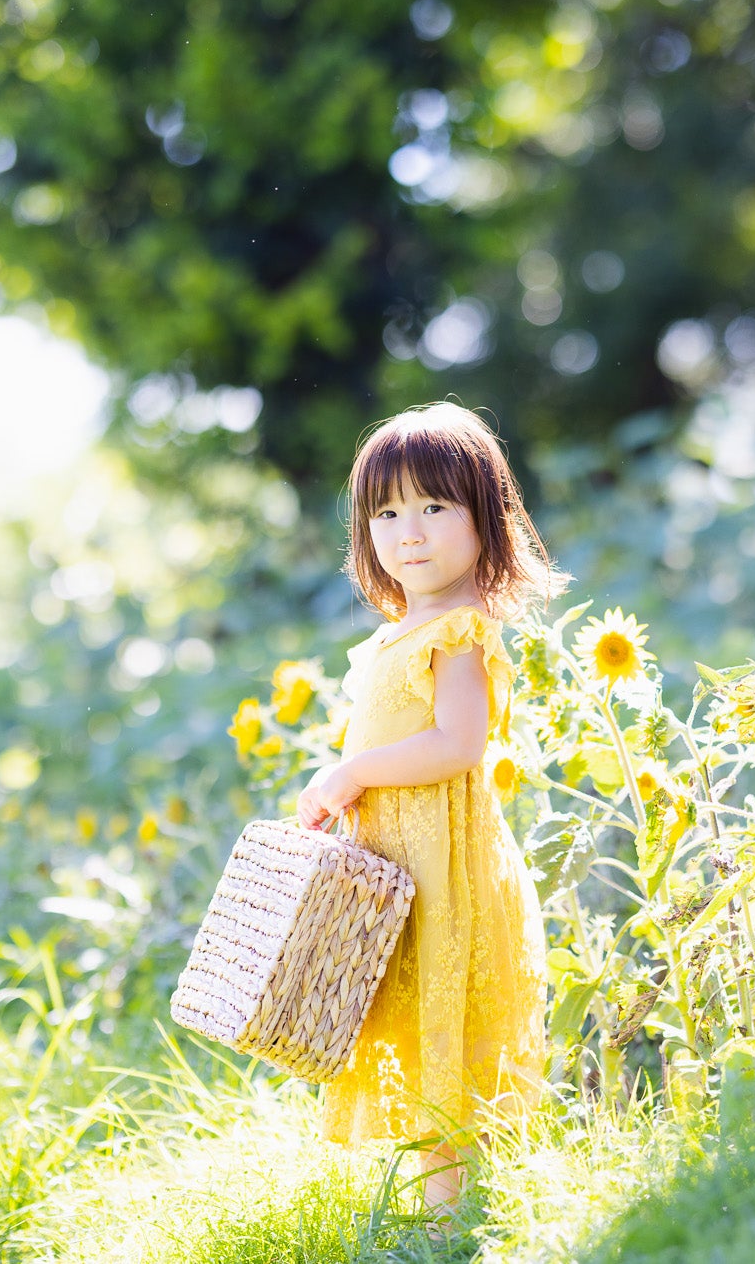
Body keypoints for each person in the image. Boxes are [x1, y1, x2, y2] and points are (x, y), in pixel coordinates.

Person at [295, 401, 559, 1226]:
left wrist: (355, 770)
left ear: (486, 517)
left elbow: (458, 744)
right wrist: (345, 787)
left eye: (434, 507)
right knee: (411, 1024)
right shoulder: (399, 632)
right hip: (398, 863)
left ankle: (447, 1220)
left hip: (446, 866)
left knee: (446, 1028)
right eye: (386, 512)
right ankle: (433, 1209)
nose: (408, 532)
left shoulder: (460, 634)